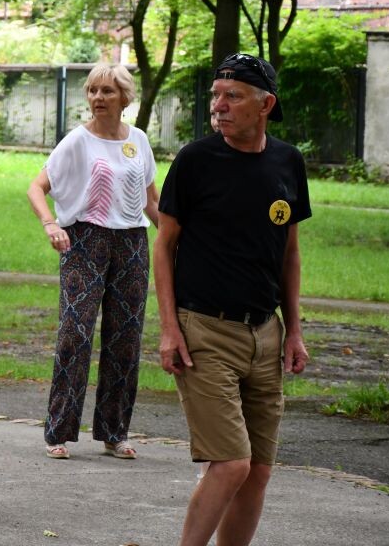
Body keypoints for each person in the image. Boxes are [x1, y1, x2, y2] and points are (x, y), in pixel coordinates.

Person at [155, 53, 310, 546]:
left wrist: (295, 331)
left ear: (266, 104)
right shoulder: (196, 160)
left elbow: (288, 252)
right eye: (215, 96)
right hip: (205, 330)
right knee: (230, 465)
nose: (217, 106)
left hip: (266, 334)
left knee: (258, 471)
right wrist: (169, 329)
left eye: (232, 97)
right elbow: (164, 245)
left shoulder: (288, 162)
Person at [27, 63, 159, 460]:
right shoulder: (77, 141)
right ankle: (59, 432)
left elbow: (153, 202)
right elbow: (37, 187)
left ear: (124, 97)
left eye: (107, 91)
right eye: (93, 91)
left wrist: (175, 239)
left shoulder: (138, 140)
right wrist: (51, 224)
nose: (98, 98)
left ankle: (114, 432)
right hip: (85, 240)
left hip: (133, 243)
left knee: (126, 337)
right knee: (76, 334)